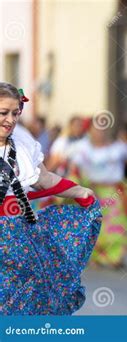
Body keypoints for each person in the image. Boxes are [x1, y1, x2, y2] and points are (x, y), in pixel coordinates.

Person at [0, 82, 101, 315]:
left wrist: (79, 191)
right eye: (3, 113)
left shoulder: (23, 145)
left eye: (15, 113)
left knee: (35, 293)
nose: (10, 120)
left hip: (20, 233)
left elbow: (43, 179)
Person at [69, 123, 127, 268]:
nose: (100, 134)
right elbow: (75, 169)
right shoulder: (82, 149)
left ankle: (116, 257)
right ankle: (95, 257)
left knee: (116, 224)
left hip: (113, 192)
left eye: (103, 131)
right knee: (94, 224)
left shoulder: (118, 148)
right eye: (96, 131)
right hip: (91, 191)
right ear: (90, 132)